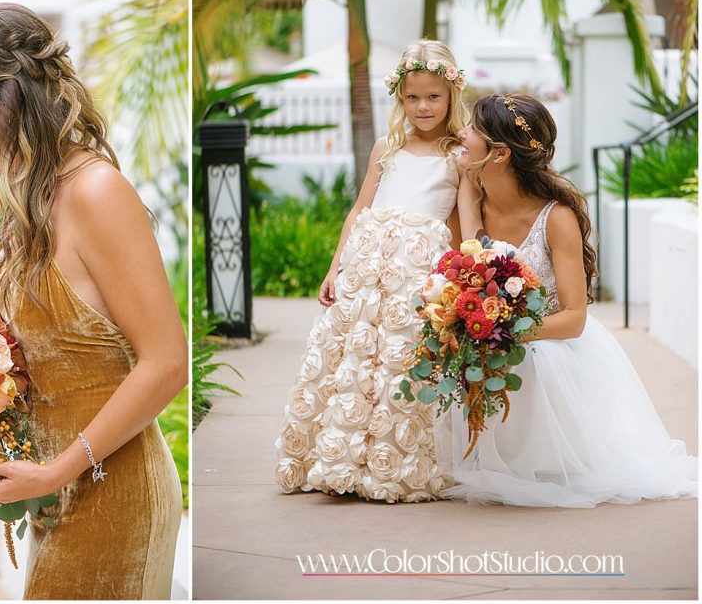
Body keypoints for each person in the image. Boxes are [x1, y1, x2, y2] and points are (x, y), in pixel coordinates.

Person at [0, 3, 186, 599]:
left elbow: (167, 362)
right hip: (54, 491)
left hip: (112, 490)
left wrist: (58, 470)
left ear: (6, 98)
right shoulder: (27, 203)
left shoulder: (94, 191)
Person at [437, 93, 698, 507]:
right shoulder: (473, 200)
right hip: (495, 340)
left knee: (533, 358)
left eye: (471, 129)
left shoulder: (556, 217)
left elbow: (574, 319)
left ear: (500, 154)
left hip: (551, 345)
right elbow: (468, 256)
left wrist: (501, 330)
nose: (461, 133)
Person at [275, 39, 470, 502]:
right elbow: (360, 209)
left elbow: (462, 226)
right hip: (366, 273)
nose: (423, 107)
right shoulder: (387, 147)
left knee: (400, 365)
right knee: (349, 362)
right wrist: (334, 268)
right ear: (400, 98)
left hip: (416, 277)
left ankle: (390, 464)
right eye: (412, 97)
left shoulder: (458, 157)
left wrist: (461, 279)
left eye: (433, 97)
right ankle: (335, 458)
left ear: (452, 96)